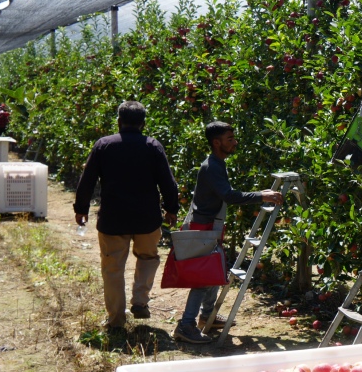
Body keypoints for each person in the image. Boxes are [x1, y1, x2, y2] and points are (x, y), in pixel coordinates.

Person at [73, 101, 180, 330]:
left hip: (114, 218)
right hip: (147, 218)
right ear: (143, 123)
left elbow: (87, 180)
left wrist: (81, 208)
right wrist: (172, 208)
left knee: (112, 269)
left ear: (119, 121)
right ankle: (140, 301)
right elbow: (168, 182)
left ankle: (116, 319)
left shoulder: (104, 145)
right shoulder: (153, 146)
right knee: (148, 258)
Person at [172, 121, 282, 344]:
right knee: (202, 278)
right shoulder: (212, 166)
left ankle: (206, 316)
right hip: (203, 227)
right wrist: (261, 195)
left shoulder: (217, 163)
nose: (234, 142)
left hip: (210, 226)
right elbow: (229, 195)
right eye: (229, 139)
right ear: (216, 142)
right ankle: (186, 325)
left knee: (212, 274)